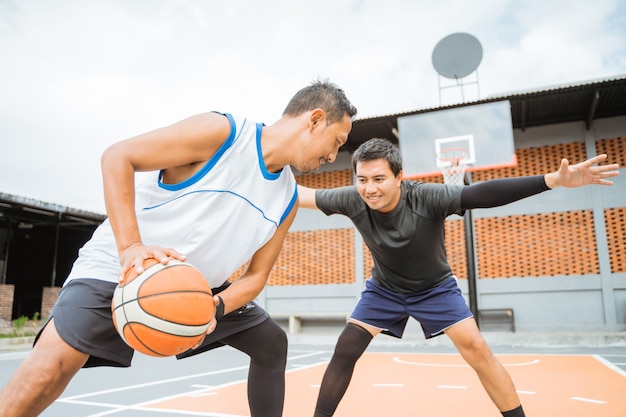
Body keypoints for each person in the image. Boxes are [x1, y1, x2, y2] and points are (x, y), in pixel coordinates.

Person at [0, 79, 357, 417]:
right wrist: (131, 247)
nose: (333, 154)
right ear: (315, 120)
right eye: (338, 141)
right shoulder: (225, 134)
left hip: (195, 289)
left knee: (270, 343)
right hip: (122, 267)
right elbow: (117, 157)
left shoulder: (288, 197)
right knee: (51, 370)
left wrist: (214, 308)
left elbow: (256, 277)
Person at [297, 137, 620, 417]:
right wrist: (260, 171)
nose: (369, 188)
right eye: (362, 179)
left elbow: (483, 194)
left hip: (435, 289)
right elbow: (301, 195)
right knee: (346, 348)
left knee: (477, 349)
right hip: (385, 289)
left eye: (379, 178)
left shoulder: (425, 197)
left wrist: (552, 180)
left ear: (399, 177)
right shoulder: (354, 199)